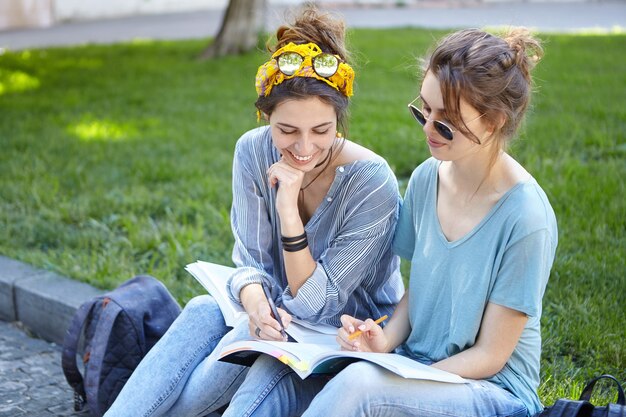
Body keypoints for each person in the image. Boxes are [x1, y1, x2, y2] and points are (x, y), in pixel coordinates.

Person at [224, 27, 558, 417]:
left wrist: (404, 379)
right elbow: (418, 291)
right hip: (413, 364)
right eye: (424, 111)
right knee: (279, 377)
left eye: (446, 121)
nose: (429, 129)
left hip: (490, 390)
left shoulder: (526, 216)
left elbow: (491, 355)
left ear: (495, 120)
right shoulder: (427, 178)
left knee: (358, 386)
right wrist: (384, 342)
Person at [103, 6, 404, 417]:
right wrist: (253, 298)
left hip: (342, 339)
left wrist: (288, 210)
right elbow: (249, 261)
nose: (303, 148)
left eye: (321, 131)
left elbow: (319, 305)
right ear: (265, 116)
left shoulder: (372, 182)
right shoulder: (251, 150)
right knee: (204, 309)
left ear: (340, 118)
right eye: (286, 130)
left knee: (245, 366)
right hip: (279, 320)